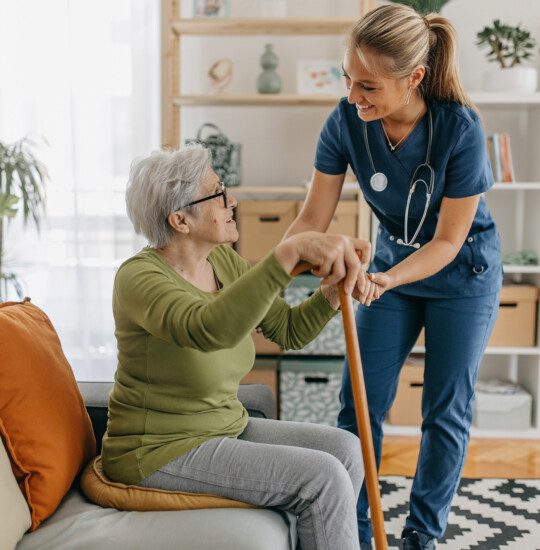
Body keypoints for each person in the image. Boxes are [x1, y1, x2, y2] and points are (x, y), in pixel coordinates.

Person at [284, 4, 503, 549]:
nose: (354, 96)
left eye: (368, 86)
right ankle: (354, 530)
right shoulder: (345, 122)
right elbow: (312, 221)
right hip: (386, 274)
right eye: (347, 79)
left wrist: (386, 279)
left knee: (444, 411)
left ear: (414, 79)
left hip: (463, 272)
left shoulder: (460, 129)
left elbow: (448, 241)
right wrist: (268, 274)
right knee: (358, 405)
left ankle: (421, 538)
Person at [101, 143, 373, 550]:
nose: (232, 201)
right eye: (218, 194)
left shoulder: (222, 261)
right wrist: (287, 253)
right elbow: (208, 330)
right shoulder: (139, 280)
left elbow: (288, 330)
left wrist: (335, 293)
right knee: (323, 477)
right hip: (158, 450)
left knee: (346, 450)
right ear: (180, 220)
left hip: (222, 428)